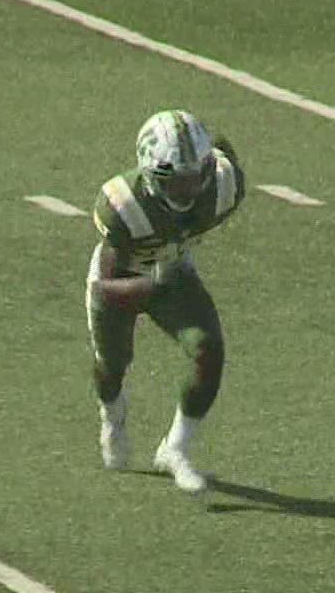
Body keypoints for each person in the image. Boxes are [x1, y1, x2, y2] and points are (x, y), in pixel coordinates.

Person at [86, 110, 246, 495]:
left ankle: (175, 449)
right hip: (127, 277)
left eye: (196, 176)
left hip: (172, 269)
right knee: (112, 364)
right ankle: (112, 412)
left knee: (208, 348)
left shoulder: (223, 185)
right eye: (178, 180)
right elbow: (104, 287)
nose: (190, 189)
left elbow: (226, 155)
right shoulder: (124, 206)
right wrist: (152, 286)